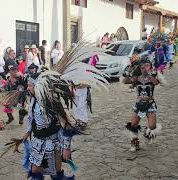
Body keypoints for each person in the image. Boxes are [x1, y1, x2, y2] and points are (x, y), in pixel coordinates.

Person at [18, 44, 109, 179]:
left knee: (55, 174)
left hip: (52, 143)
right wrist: (27, 132)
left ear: (39, 86)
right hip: (37, 142)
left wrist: (66, 148)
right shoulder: (33, 100)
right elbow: (32, 119)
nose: (28, 87)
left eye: (30, 85)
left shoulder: (53, 103)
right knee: (35, 171)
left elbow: (66, 124)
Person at [125, 58, 162, 152]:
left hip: (150, 105)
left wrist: (152, 74)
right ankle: (135, 144)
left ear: (150, 67)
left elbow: (156, 83)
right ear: (140, 68)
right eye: (142, 67)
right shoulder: (136, 78)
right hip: (139, 105)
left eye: (147, 66)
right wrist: (128, 72)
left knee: (152, 126)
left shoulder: (153, 77)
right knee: (133, 124)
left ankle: (147, 133)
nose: (144, 68)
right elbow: (125, 81)